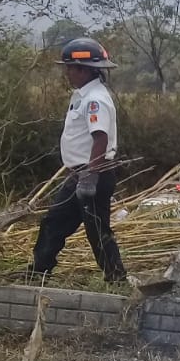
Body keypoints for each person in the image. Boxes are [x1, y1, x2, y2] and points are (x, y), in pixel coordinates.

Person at [28, 37, 127, 283]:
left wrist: (89, 178)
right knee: (54, 222)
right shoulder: (83, 95)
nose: (68, 73)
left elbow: (100, 139)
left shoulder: (95, 100)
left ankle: (116, 278)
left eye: (70, 68)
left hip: (93, 174)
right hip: (80, 175)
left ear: (84, 69)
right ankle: (39, 270)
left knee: (96, 228)